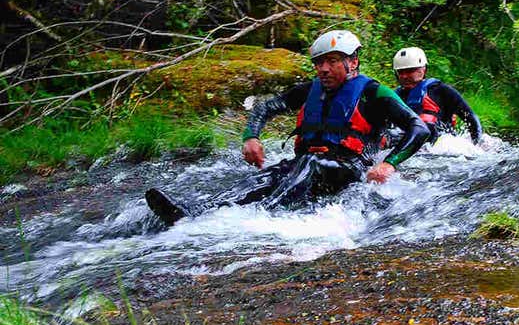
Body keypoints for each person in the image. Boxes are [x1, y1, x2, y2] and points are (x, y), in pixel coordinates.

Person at [145, 30, 430, 226]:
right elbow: (264, 108)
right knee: (270, 175)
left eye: (332, 61)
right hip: (305, 166)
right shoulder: (309, 90)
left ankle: (258, 218)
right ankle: (196, 213)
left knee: (310, 163)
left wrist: (389, 164)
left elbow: (419, 129)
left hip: (350, 169)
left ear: (352, 62)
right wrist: (251, 137)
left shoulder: (374, 92)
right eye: (319, 63)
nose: (324, 69)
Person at [391, 46, 482, 145]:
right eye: (400, 72)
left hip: (440, 148)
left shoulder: (442, 91)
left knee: (427, 122)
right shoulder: (394, 96)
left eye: (410, 71)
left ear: (424, 69)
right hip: (408, 146)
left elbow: (470, 117)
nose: (404, 76)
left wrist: (476, 144)